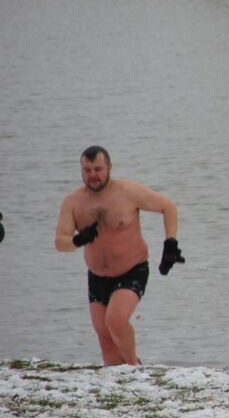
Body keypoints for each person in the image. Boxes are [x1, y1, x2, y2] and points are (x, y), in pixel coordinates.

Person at [54, 146, 182, 366]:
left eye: (98, 169)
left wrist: (170, 244)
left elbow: (168, 207)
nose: (93, 175)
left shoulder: (128, 192)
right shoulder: (73, 202)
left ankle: (134, 368)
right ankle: (117, 381)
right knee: (104, 335)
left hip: (132, 269)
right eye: (87, 170)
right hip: (96, 275)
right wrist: (77, 240)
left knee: (115, 321)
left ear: (109, 168)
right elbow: (60, 242)